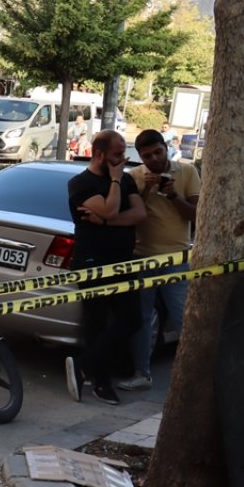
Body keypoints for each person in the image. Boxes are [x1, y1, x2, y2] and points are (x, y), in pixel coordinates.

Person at [110, 129, 199, 391]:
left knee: (185, 318)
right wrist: (147, 189)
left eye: (157, 152)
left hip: (177, 258)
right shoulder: (135, 177)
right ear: (140, 157)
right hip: (142, 258)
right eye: (146, 156)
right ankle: (142, 373)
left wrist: (172, 195)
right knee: (142, 319)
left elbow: (195, 214)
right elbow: (129, 213)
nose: (153, 159)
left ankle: (194, 377)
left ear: (166, 147)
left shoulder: (187, 172)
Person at [64, 130, 147, 405]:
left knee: (131, 318)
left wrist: (105, 221)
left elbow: (139, 214)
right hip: (92, 260)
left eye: (124, 153)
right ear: (99, 154)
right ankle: (100, 383)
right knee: (96, 322)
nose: (123, 159)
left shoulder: (125, 180)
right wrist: (113, 181)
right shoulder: (80, 184)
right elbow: (111, 209)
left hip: (122, 259)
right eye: (117, 154)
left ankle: (82, 364)